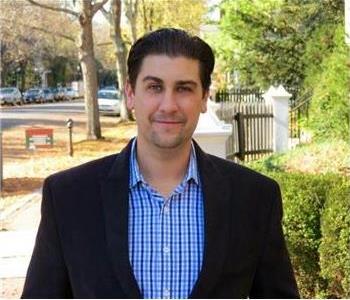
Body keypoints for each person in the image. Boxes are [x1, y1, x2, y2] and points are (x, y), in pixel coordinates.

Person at [22, 28, 299, 299]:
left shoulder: (254, 198)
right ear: (130, 93)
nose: (168, 105)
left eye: (184, 88)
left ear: (204, 97)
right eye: (154, 87)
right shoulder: (69, 196)